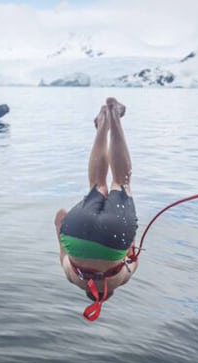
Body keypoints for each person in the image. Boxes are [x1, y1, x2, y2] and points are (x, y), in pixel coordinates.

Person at [55, 97, 139, 321]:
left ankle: (115, 116)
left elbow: (132, 251)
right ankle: (103, 122)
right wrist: (62, 225)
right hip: (76, 231)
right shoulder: (72, 277)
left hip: (114, 236)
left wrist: (127, 242)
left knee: (121, 182)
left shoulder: (121, 280)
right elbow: (60, 218)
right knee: (97, 185)